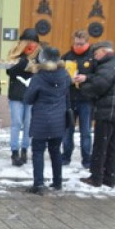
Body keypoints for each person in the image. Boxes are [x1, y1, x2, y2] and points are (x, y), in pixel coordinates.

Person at [76, 41, 115, 188]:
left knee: (100, 146)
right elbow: (100, 79)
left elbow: (98, 87)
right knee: (110, 147)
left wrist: (81, 86)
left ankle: (96, 178)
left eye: (96, 53)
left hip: (107, 113)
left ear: (104, 52)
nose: (94, 56)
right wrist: (87, 78)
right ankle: (109, 178)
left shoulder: (107, 67)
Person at [23, 45, 71, 194]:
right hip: (59, 120)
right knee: (55, 151)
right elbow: (67, 95)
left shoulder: (39, 77)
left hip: (41, 121)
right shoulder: (65, 75)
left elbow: (28, 99)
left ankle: (38, 184)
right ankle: (57, 182)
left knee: (38, 151)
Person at [4, 28, 40, 167]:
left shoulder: (39, 56)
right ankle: (14, 152)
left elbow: (41, 73)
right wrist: (25, 62)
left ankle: (24, 150)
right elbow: (10, 71)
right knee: (17, 123)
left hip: (31, 95)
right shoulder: (15, 55)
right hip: (16, 94)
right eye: (28, 42)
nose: (31, 45)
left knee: (28, 124)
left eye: (34, 42)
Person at [61, 30, 96, 169]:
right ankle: (65, 157)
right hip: (69, 98)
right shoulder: (67, 57)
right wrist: (67, 78)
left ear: (87, 43)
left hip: (86, 99)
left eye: (81, 44)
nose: (78, 46)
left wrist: (86, 78)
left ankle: (87, 159)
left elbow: (99, 76)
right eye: (76, 43)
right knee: (67, 130)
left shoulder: (93, 58)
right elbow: (59, 74)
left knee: (85, 132)